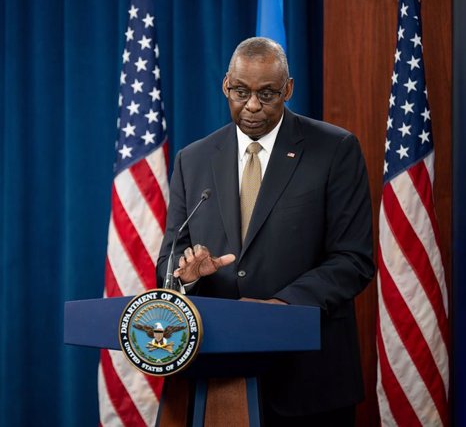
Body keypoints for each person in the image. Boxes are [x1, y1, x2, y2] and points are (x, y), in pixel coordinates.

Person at [156, 37, 374, 426]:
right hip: (217, 374)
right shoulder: (193, 159)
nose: (253, 105)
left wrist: (282, 307)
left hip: (309, 377)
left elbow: (353, 258)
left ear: (288, 90)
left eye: (268, 94)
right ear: (226, 85)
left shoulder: (335, 149)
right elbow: (172, 252)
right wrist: (186, 274)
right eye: (241, 92)